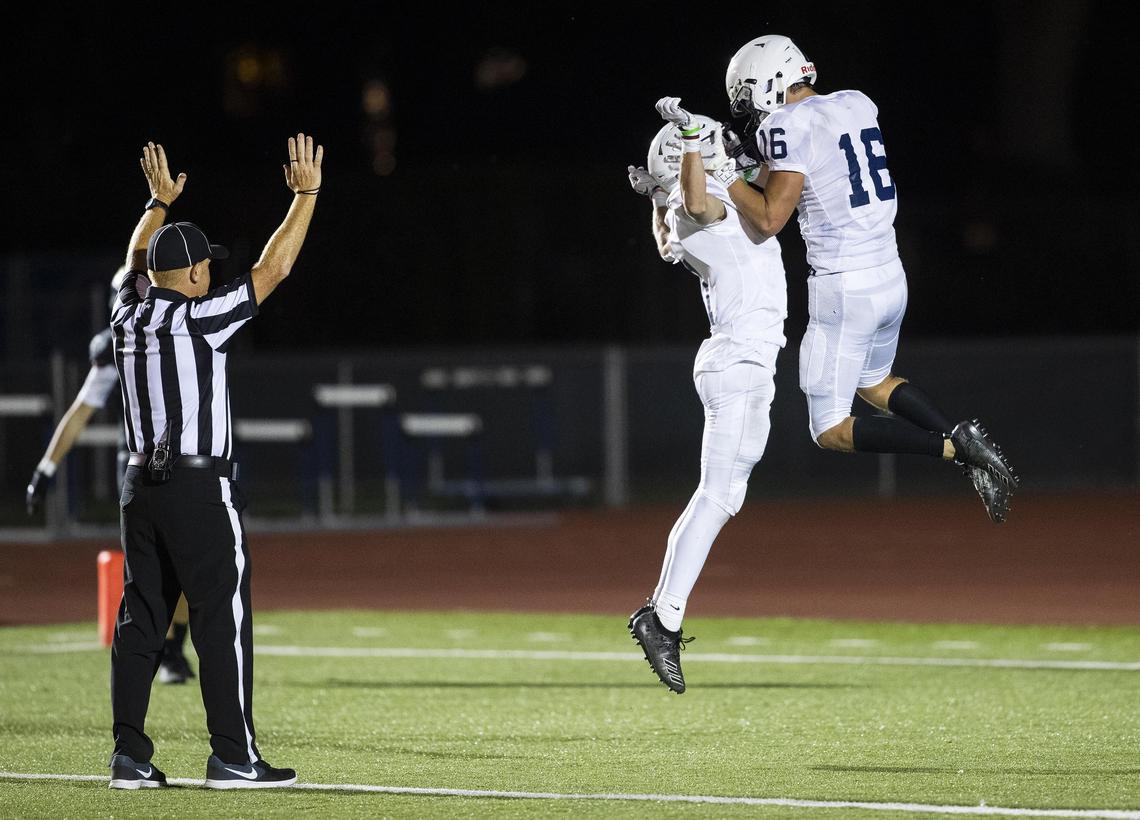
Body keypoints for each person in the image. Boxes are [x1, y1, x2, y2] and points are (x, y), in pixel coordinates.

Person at [712, 34, 1018, 521]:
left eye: (749, 101)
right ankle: (963, 438)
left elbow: (769, 219)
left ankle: (955, 451)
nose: (751, 115)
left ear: (768, 84)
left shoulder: (787, 125)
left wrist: (724, 175)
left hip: (844, 287)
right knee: (873, 380)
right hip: (889, 276)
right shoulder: (855, 103)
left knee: (829, 427)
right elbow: (817, 161)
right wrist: (749, 165)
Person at [106, 134, 321, 790]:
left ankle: (129, 756)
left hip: (139, 487)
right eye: (206, 267)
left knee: (140, 619)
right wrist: (306, 195)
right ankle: (233, 755)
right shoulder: (201, 319)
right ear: (196, 273)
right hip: (199, 488)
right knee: (221, 616)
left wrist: (156, 203)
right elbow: (273, 267)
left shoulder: (126, 316)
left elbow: (132, 262)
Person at [625, 98, 787, 694]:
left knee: (726, 494)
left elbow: (669, 234)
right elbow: (696, 201)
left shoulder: (680, 216)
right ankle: (662, 617)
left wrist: (656, 192)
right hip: (740, 359)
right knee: (717, 496)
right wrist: (692, 139)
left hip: (741, 359)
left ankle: (663, 615)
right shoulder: (700, 208)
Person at [26, 268, 195, 686]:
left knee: (187, 564)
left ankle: (173, 649)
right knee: (152, 565)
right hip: (139, 464)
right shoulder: (116, 346)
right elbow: (82, 409)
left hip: (187, 460)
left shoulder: (187, 327)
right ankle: (162, 652)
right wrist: (46, 466)